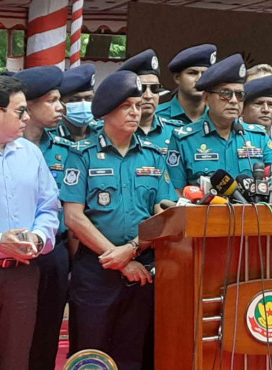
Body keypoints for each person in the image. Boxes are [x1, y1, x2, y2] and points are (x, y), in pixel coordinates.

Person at [61, 70, 176, 369]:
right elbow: (74, 217)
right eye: (127, 106)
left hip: (143, 270)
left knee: (132, 353)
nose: (135, 112)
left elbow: (165, 214)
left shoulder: (153, 155)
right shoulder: (82, 154)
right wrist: (121, 259)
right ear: (106, 111)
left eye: (138, 106)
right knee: (89, 353)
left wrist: (133, 250)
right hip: (96, 271)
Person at [0, 75, 60, 370]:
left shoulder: (31, 154)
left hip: (23, 274)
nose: (27, 117)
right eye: (20, 110)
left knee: (16, 359)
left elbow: (49, 207)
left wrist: (37, 237)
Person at [14, 66, 77, 370]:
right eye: (51, 100)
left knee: (47, 331)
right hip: (9, 252)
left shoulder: (66, 149)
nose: (60, 107)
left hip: (53, 252)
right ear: (29, 104)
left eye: (59, 100)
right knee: (7, 332)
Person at [167, 54, 272, 195]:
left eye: (239, 95)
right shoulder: (183, 139)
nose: (233, 101)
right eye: (225, 94)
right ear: (206, 98)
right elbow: (176, 193)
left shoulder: (258, 136)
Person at [120, 49, 183, 155]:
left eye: (154, 88)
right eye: (142, 89)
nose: (148, 96)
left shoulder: (177, 131)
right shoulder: (114, 131)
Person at [156, 43, 216, 123]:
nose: (199, 79)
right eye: (192, 73)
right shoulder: (155, 117)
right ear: (177, 78)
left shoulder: (220, 118)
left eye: (205, 74)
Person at [55, 63, 101, 142]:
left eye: (89, 99)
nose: (83, 104)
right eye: (75, 100)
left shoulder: (103, 132)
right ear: (61, 103)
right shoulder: (48, 136)